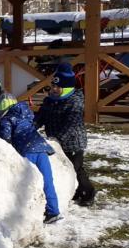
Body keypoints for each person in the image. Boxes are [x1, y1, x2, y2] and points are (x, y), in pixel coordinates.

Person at [35, 63, 95, 207]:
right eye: (53, 86)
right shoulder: (50, 101)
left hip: (73, 142)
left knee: (75, 168)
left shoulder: (74, 102)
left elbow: (70, 125)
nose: (54, 89)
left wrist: (56, 140)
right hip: (56, 141)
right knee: (64, 168)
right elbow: (40, 117)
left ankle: (88, 192)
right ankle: (73, 190)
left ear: (67, 88)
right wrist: (30, 127)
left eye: (58, 87)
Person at [0, 94, 62, 223]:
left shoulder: (7, 119)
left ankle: (26, 212)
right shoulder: (26, 115)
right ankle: (53, 211)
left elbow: (5, 138)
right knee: (47, 181)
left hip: (26, 151)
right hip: (41, 149)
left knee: (26, 182)